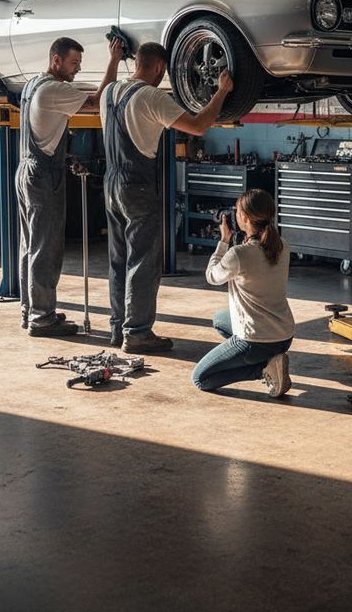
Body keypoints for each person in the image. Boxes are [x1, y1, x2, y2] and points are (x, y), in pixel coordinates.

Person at [102, 41, 233, 353]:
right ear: (160, 68)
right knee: (143, 261)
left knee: (119, 260)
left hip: (110, 183)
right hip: (137, 184)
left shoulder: (109, 92)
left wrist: (112, 59)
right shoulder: (151, 96)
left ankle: (118, 327)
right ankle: (136, 333)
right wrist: (222, 90)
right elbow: (199, 126)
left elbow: (103, 87)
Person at [17, 35, 123, 337]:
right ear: (56, 60)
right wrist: (114, 59)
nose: (77, 69)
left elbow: (47, 127)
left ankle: (32, 310)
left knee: (30, 245)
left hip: (27, 168)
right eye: (74, 63)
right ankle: (42, 317)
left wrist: (67, 156)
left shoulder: (32, 85)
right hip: (42, 175)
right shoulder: (54, 88)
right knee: (46, 247)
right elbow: (97, 101)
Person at [192, 189, 295, 397]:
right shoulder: (283, 246)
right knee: (220, 319)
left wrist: (223, 241)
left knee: (200, 378)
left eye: (237, 212)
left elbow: (212, 276)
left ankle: (263, 369)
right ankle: (271, 358)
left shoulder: (238, 254)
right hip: (284, 335)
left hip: (255, 341)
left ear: (245, 218)